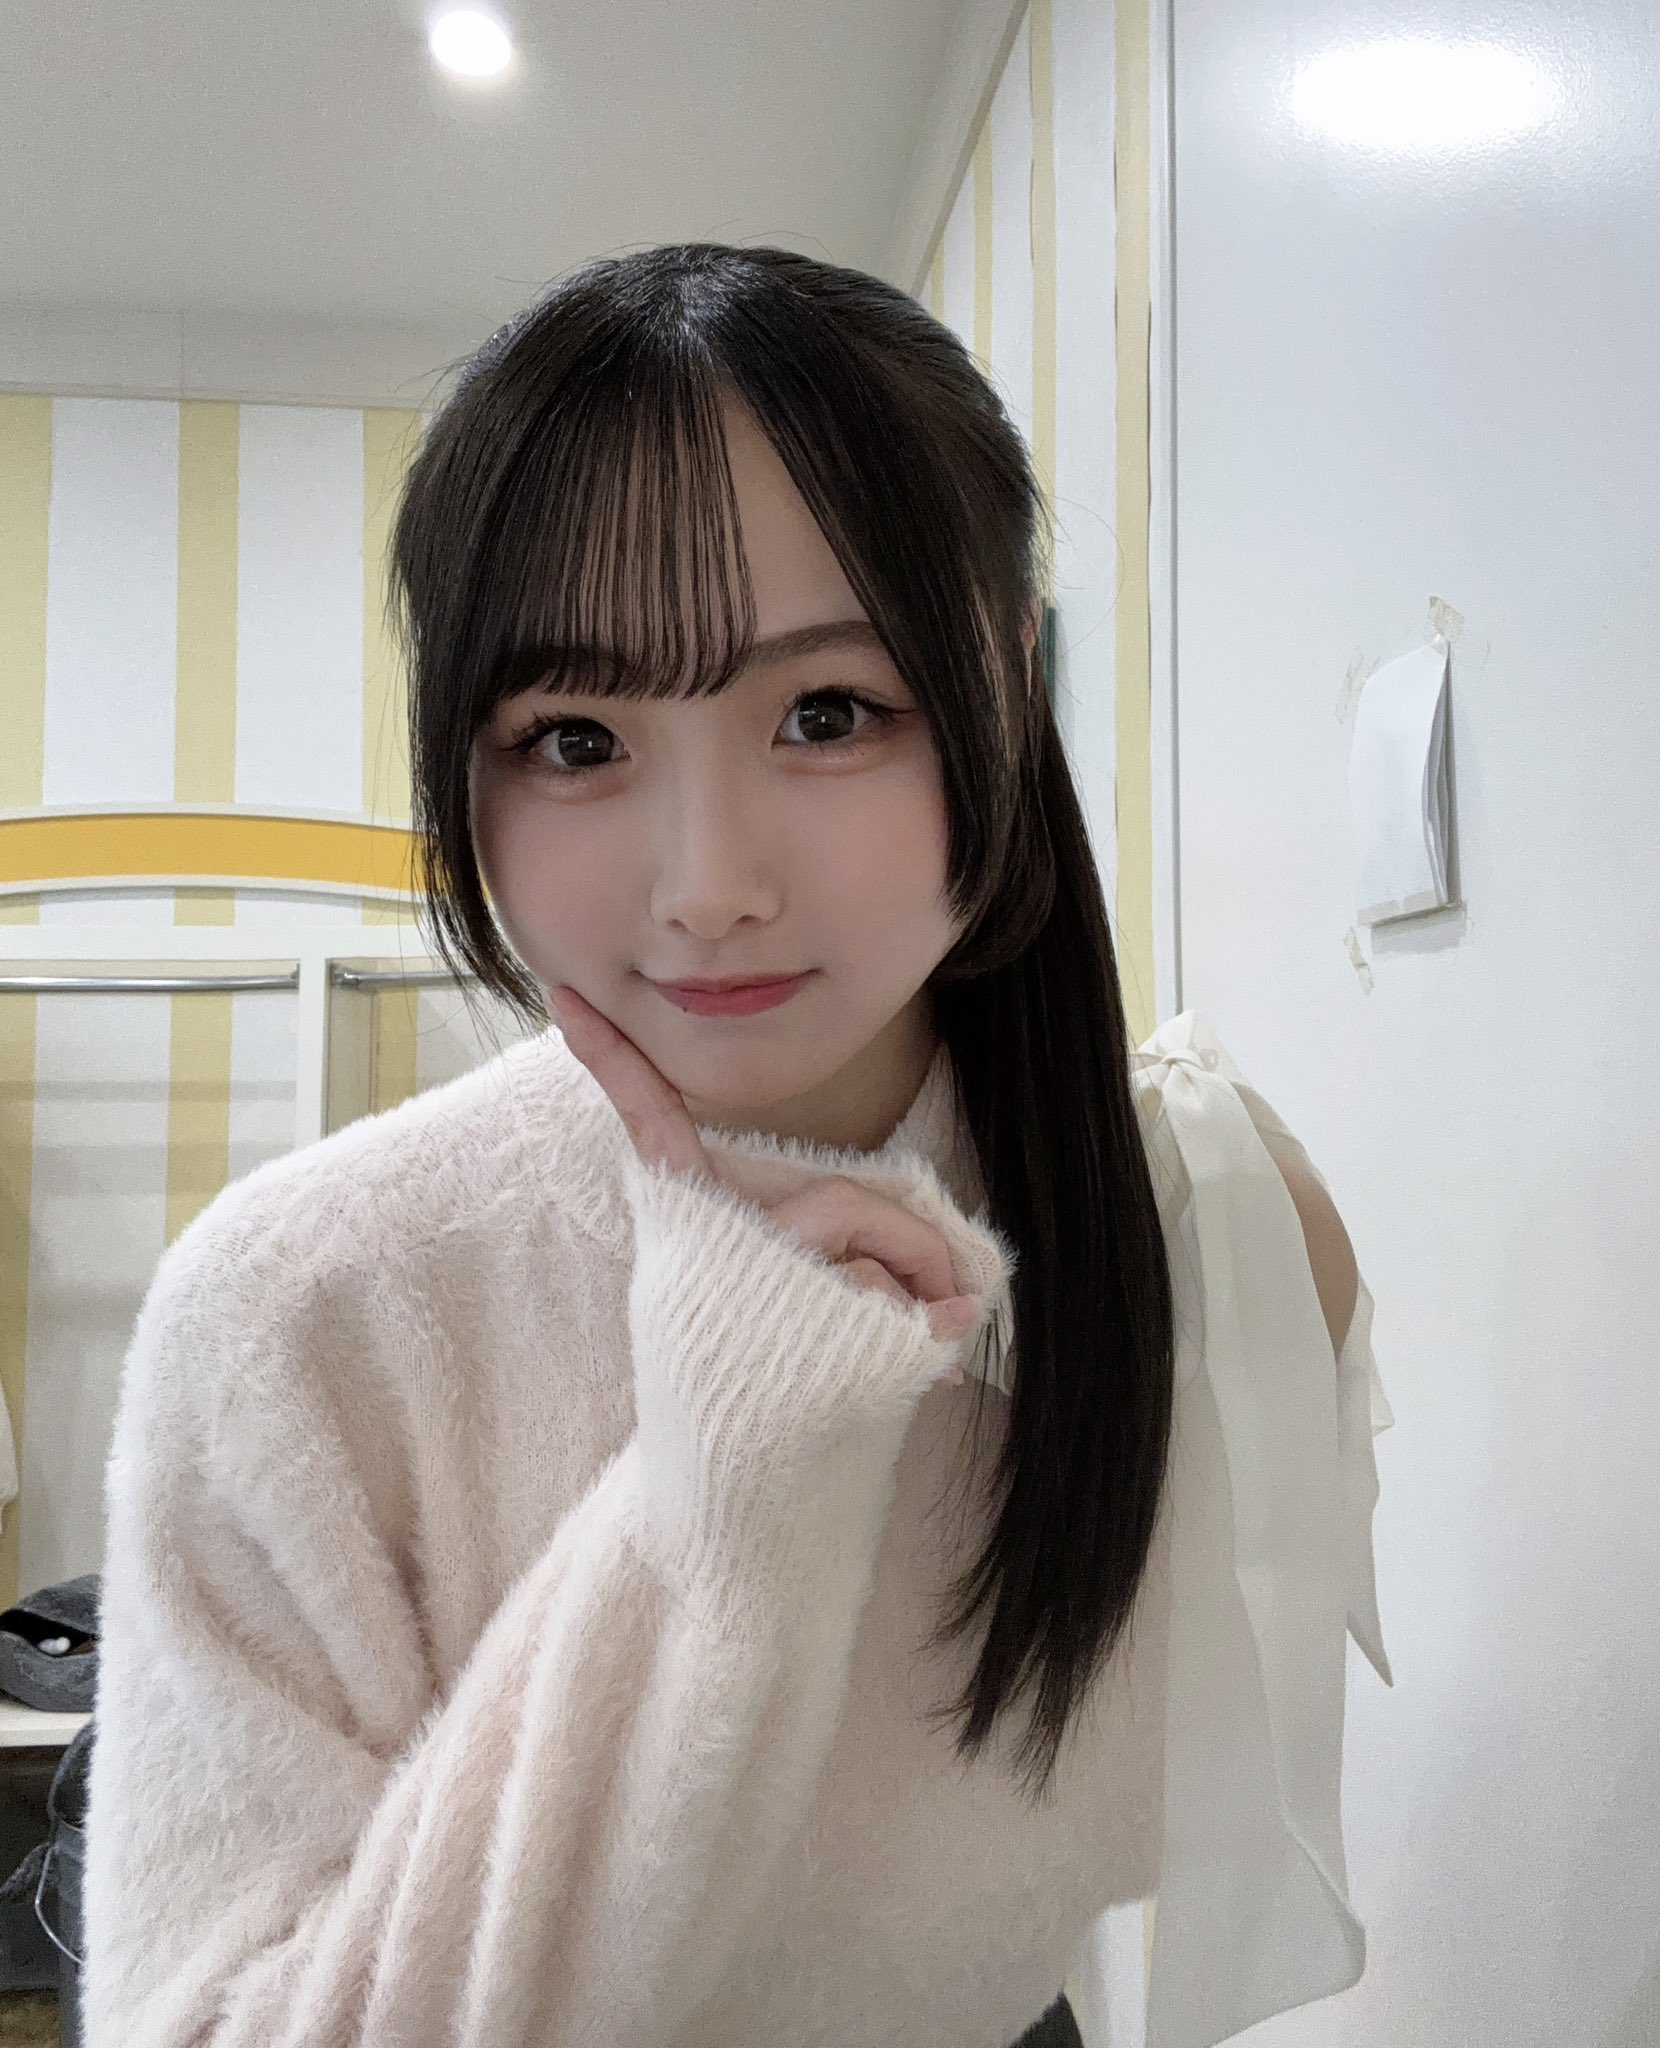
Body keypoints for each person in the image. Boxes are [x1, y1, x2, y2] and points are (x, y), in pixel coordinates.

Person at [80, 243, 1393, 2048]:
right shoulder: (301, 1316)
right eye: (575, 737)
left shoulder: (1223, 1232)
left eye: (827, 713)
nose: (709, 887)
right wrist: (723, 1491)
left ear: (1008, 685)